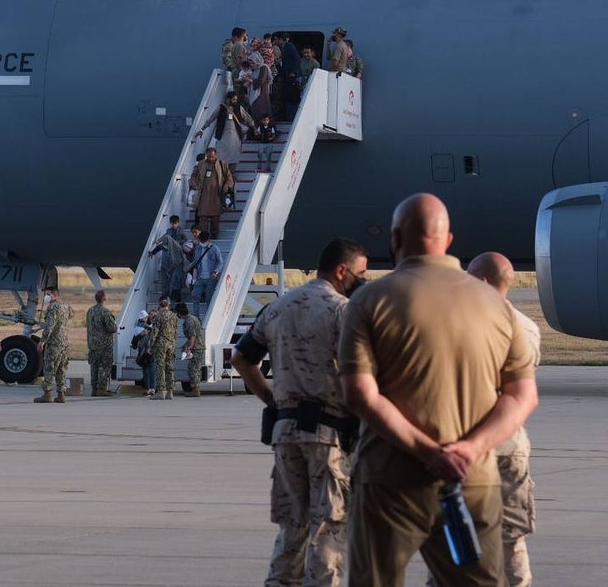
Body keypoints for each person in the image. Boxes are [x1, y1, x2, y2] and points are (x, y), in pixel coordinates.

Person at [339, 194, 538, 587]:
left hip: (391, 480)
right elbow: (522, 397)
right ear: (448, 240)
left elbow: (361, 394)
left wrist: (427, 452)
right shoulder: (497, 306)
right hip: (472, 478)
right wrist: (468, 450)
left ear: (396, 238)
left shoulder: (370, 300)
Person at [232, 238, 369, 587]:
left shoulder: (278, 307)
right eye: (360, 274)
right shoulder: (343, 311)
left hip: (285, 431)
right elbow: (361, 373)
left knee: (292, 527)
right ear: (342, 271)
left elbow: (242, 358)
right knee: (328, 529)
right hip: (328, 435)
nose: (363, 282)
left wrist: (271, 398)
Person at [466, 252, 542, 587]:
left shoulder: (461, 323)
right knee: (511, 538)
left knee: (459, 537)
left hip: (469, 440)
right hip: (510, 441)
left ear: (482, 282)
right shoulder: (527, 326)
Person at [195, 91, 253, 175]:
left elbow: (248, 118)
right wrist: (202, 129)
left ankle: (231, 177)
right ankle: (223, 176)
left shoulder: (239, 108)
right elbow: (210, 119)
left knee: (234, 158)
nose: (235, 101)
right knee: (221, 159)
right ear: (228, 99)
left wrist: (255, 128)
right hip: (223, 139)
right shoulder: (221, 109)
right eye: (234, 99)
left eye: (236, 100)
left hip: (235, 139)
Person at [34, 287, 74, 404]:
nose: (46, 297)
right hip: (64, 343)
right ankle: (61, 394)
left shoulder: (52, 307)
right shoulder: (65, 306)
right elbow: (70, 316)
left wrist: (42, 341)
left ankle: (47, 394)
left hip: (54, 343)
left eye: (48, 294)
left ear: (54, 295)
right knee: (61, 368)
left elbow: (49, 326)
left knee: (49, 368)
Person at [189, 146, 234, 238]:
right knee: (203, 220)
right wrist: (194, 183)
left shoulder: (221, 164)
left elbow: (229, 177)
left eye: (212, 157)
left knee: (215, 220)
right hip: (203, 197)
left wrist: (227, 185)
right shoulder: (201, 164)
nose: (210, 158)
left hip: (216, 197)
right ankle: (203, 239)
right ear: (206, 155)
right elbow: (193, 176)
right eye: (209, 157)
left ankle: (214, 238)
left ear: (216, 155)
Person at [85, 289, 117, 397]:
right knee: (104, 366)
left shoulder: (90, 311)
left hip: (92, 344)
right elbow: (112, 328)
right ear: (104, 298)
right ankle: (101, 388)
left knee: (94, 366)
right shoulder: (105, 312)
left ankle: (94, 389)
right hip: (104, 345)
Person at [148, 297, 178, 400]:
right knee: (170, 366)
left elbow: (154, 333)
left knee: (160, 367)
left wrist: (151, 346)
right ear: (168, 306)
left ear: (159, 305)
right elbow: (176, 331)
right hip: (171, 343)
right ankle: (170, 392)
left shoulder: (158, 316)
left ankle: (161, 391)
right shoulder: (174, 316)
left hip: (161, 344)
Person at [189, 230, 223, 318]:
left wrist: (216, 272)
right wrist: (194, 274)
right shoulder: (198, 248)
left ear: (208, 240)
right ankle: (196, 317)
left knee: (209, 299)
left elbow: (220, 262)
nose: (202, 243)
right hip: (200, 277)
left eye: (203, 241)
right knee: (195, 296)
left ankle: (208, 318)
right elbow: (196, 261)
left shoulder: (214, 248)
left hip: (211, 278)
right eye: (201, 241)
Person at [176, 303, 205, 397]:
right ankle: (195, 389)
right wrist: (185, 345)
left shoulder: (189, 321)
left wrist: (189, 348)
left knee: (193, 369)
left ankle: (195, 390)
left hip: (196, 348)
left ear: (179, 313)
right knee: (194, 368)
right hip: (198, 346)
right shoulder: (192, 318)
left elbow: (192, 336)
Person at [149, 231, 186, 302]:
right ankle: (165, 299)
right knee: (165, 283)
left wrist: (170, 269)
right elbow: (160, 247)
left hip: (175, 268)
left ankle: (176, 300)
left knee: (174, 284)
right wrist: (152, 252)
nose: (165, 247)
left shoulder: (177, 247)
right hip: (166, 267)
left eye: (166, 245)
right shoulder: (165, 244)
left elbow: (179, 261)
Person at [134, 309, 157, 396]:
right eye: (149, 315)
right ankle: (150, 388)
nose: (149, 317)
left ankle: (150, 389)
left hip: (147, 351)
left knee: (149, 370)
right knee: (148, 370)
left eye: (152, 315)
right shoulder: (145, 327)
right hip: (146, 351)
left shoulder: (140, 326)